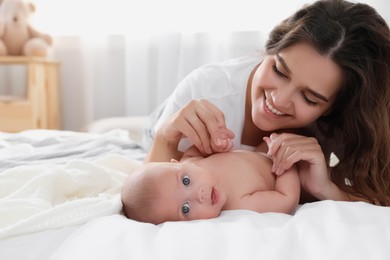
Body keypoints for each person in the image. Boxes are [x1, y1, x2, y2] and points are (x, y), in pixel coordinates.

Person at [143, 0, 390, 205]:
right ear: (271, 48)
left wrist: (324, 188)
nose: (279, 100)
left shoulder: (344, 128)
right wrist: (165, 136)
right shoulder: (206, 89)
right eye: (279, 70)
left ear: (333, 108)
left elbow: (378, 197)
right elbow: (149, 193)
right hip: (165, 122)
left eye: (309, 98)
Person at [121, 144, 300, 224]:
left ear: (179, 162)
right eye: (185, 209)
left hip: (265, 144)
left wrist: (217, 142)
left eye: (186, 181)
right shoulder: (241, 204)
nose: (198, 195)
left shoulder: (194, 160)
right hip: (288, 165)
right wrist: (285, 162)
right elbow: (287, 198)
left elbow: (199, 145)